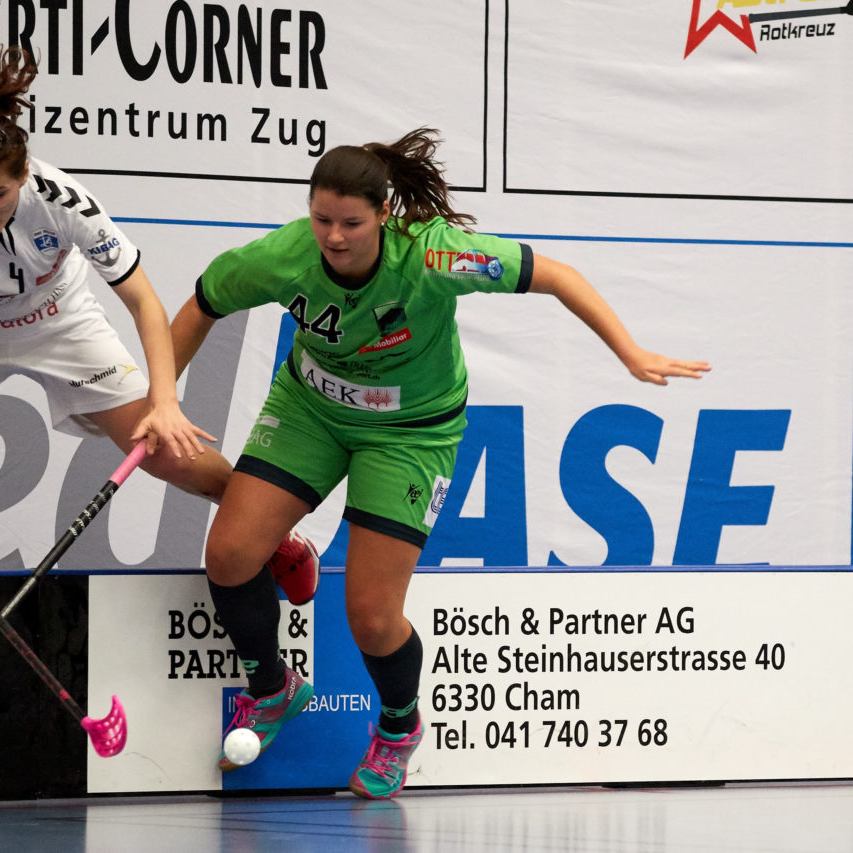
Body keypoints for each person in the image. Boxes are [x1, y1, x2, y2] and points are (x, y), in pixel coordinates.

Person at [169, 127, 711, 799]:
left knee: (369, 615)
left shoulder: (437, 259)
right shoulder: (283, 255)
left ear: (385, 217)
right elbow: (201, 303)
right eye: (321, 219)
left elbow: (559, 277)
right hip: (313, 409)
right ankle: (273, 687)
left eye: (351, 223)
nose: (333, 237)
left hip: (410, 433)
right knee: (227, 554)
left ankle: (398, 725)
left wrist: (629, 352)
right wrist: (161, 398)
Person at [0, 43, 317, 601]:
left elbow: (145, 301)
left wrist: (165, 402)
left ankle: (277, 536)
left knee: (168, 453)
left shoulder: (63, 200)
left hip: (58, 320)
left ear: (23, 174)